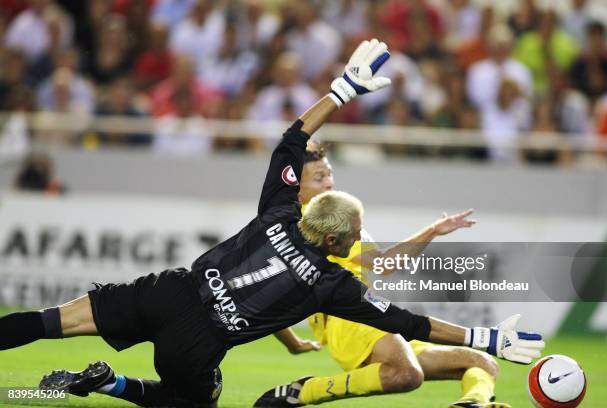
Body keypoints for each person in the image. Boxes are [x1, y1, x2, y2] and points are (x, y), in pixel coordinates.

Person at [0, 39, 544, 408]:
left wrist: (341, 92)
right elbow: (408, 321)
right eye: (355, 234)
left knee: (50, 321)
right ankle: (112, 383)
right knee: (191, 402)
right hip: (200, 342)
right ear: (335, 237)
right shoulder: (331, 283)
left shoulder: (276, 215)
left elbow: (290, 141)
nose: (359, 239)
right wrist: (487, 337)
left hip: (168, 293)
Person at [260, 142, 510, 408]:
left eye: (330, 173)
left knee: (481, 363)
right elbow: (384, 264)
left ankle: (473, 403)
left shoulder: (311, 220)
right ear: (297, 191)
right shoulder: (325, 219)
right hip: (350, 320)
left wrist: (293, 343)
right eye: (319, 177)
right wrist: (432, 232)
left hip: (368, 317)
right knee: (408, 374)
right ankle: (307, 391)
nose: (329, 182)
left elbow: (269, 296)